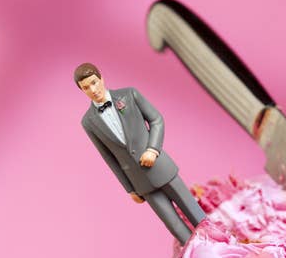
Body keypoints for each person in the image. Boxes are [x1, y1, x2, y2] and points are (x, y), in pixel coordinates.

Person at [74, 62, 205, 243]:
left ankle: (218, 243)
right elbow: (109, 158)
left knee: (192, 209)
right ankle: (197, 255)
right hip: (139, 181)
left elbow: (156, 120)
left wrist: (153, 149)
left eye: (94, 82)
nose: (93, 89)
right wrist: (129, 188)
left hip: (161, 167)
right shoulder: (88, 122)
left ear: (101, 78)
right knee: (172, 223)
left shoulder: (129, 94)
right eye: (86, 87)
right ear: (82, 90)